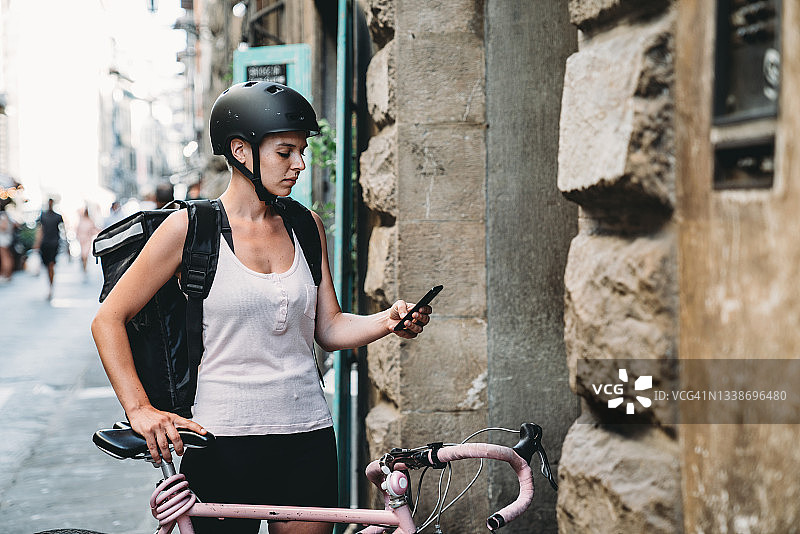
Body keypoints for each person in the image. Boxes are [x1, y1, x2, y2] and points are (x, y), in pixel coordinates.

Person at [91, 81, 432, 534]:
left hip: (306, 433)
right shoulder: (189, 229)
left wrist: (387, 321)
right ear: (240, 150)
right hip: (220, 440)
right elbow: (108, 319)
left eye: (301, 152)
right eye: (284, 152)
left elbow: (328, 327)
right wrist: (139, 409)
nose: (299, 164)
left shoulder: (305, 225)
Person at [34, 198, 64, 300]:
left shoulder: (58, 216)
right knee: (48, 266)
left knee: (51, 265)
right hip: (45, 244)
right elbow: (40, 230)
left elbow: (63, 229)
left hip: (54, 243)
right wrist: (37, 244)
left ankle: (51, 286)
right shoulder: (43, 216)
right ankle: (50, 284)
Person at [75, 207, 99, 276]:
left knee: (85, 254)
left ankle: (85, 267)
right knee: (83, 255)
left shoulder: (90, 220)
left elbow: (93, 229)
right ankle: (83, 265)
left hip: (87, 240)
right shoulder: (81, 220)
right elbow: (78, 230)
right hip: (82, 240)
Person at [0, 205, 14, 283]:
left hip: (3, 240)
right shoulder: (6, 215)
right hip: (5, 239)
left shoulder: (3, 215)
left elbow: (4, 226)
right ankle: (6, 274)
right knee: (6, 257)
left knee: (5, 257)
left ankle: (6, 274)